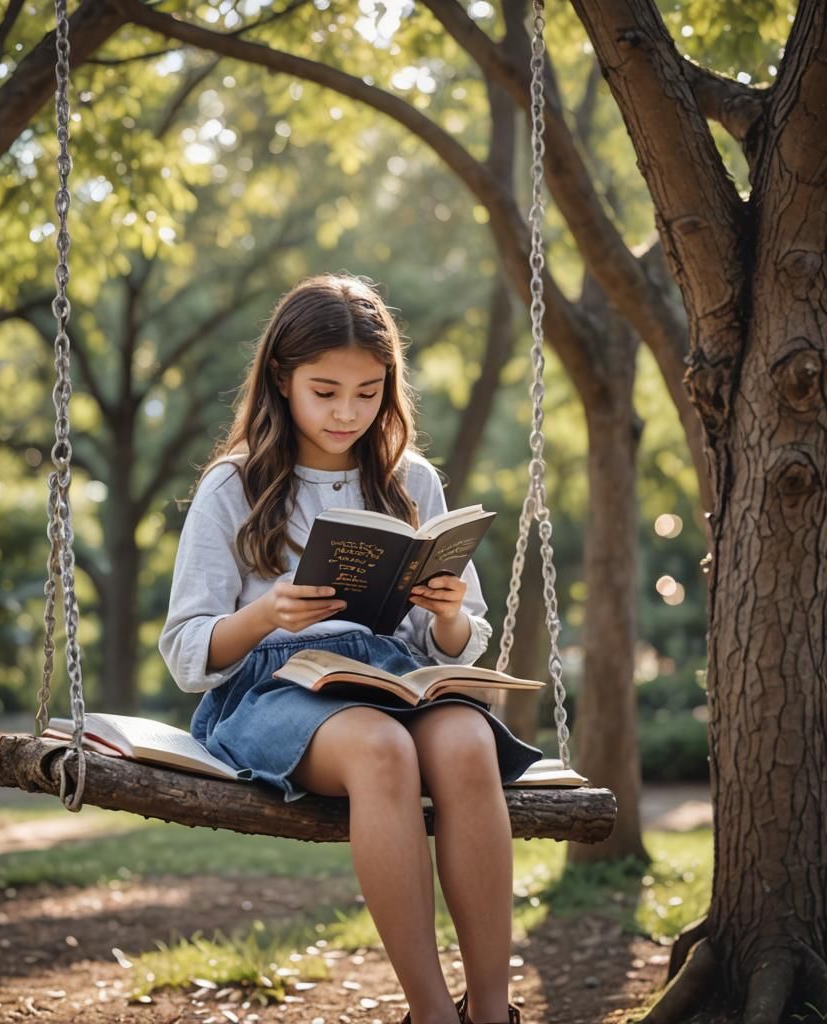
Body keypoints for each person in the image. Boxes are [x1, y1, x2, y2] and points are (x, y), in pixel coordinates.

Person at [160, 273, 540, 1024]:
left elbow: (460, 639)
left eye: (367, 393)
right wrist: (267, 614)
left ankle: (491, 1011)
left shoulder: (410, 482)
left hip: (394, 676)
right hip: (270, 689)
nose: (347, 412)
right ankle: (430, 1012)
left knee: (466, 739)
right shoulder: (234, 486)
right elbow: (184, 648)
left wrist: (449, 612)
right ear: (282, 378)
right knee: (381, 751)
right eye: (325, 390)